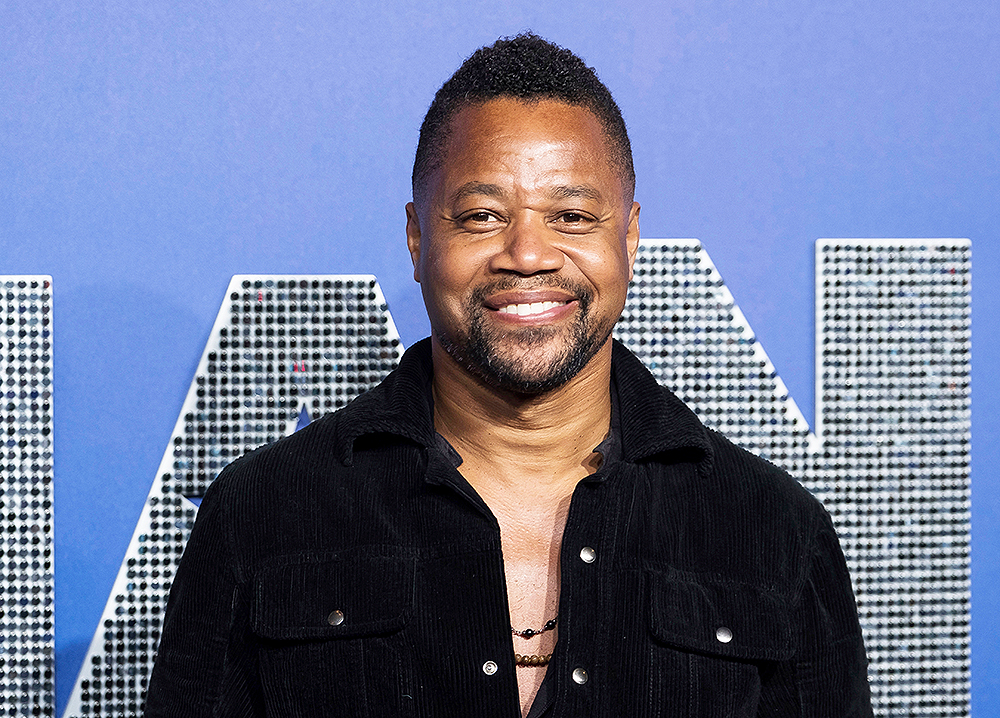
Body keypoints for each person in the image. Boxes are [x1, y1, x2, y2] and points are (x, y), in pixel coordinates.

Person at [145, 33, 873, 717]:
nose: (527, 254)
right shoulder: (264, 515)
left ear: (630, 235)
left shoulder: (773, 531)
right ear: (416, 235)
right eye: (482, 216)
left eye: (572, 216)